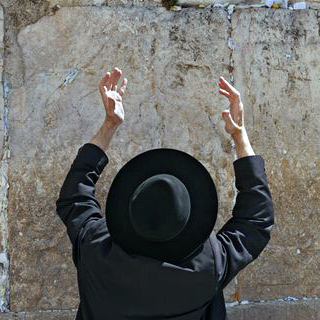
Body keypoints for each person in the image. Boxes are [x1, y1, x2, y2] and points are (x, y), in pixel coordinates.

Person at [56, 67, 274, 320]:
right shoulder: (209, 264)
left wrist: (109, 125)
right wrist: (239, 136)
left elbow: (74, 195)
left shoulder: (96, 248)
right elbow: (257, 221)